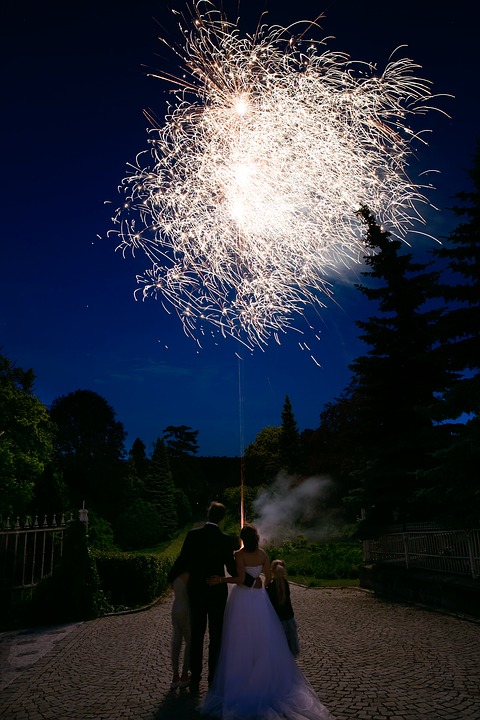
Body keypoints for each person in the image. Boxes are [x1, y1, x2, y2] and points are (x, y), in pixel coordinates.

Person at [199, 524, 335, 720]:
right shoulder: (263, 554)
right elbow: (269, 577)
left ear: (243, 539)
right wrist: (260, 584)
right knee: (263, 637)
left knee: (240, 639)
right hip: (259, 599)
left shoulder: (239, 554)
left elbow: (238, 578)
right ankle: (264, 676)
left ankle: (242, 677)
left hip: (242, 599)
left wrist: (220, 580)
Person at [172, 502, 257, 692]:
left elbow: (182, 560)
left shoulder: (193, 535)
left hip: (196, 592)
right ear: (222, 518)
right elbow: (233, 568)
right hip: (217, 594)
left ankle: (195, 680)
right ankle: (212, 679)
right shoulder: (226, 540)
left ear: (208, 514)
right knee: (216, 636)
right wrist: (253, 581)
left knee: (197, 635)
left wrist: (170, 579)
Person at [266, 558, 300, 656]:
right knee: (290, 639)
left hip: (277, 619)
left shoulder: (270, 587)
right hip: (289, 616)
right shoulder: (285, 583)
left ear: (272, 571)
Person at [166, 557, 191, 690]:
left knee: (176, 640)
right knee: (190, 642)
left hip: (175, 607)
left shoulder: (174, 575)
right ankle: (184, 675)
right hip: (185, 608)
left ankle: (174, 675)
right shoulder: (188, 575)